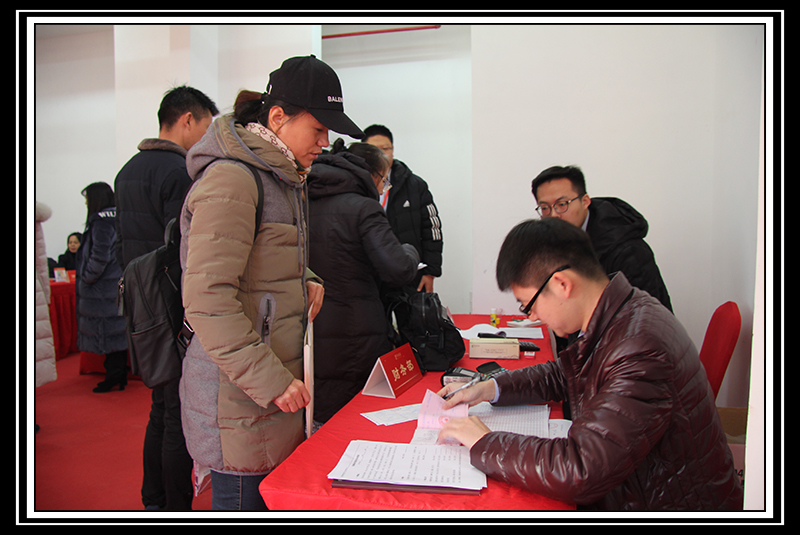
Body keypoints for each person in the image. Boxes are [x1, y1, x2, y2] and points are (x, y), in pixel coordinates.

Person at [437, 218, 743, 511]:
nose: (533, 317)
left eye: (529, 305)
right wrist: (488, 388)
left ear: (561, 284)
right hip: (638, 486)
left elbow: (581, 469)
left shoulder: (640, 348)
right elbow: (563, 374)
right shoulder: (621, 312)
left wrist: (485, 442)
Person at [179, 55, 361, 510]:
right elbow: (206, 299)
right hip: (240, 401)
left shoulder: (282, 176)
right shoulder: (233, 179)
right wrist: (271, 381)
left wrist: (307, 278)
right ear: (278, 117)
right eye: (318, 129)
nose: (325, 143)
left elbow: (260, 261)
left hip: (268, 393)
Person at [113, 85, 218, 512]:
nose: (206, 137)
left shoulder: (127, 170)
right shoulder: (178, 172)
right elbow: (184, 249)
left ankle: (153, 498)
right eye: (206, 126)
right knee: (177, 413)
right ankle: (174, 508)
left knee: (160, 407)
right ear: (187, 120)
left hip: (142, 306)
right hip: (173, 307)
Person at [307, 139, 419, 427]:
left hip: (309, 325)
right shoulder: (363, 208)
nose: (383, 189)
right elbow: (398, 269)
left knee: (323, 416)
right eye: (384, 180)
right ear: (370, 175)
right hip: (356, 330)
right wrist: (410, 250)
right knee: (360, 416)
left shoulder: (301, 199)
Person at [531, 165, 672, 312]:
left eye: (562, 204)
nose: (553, 215)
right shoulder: (555, 243)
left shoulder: (628, 250)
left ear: (585, 201)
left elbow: (646, 316)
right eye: (545, 208)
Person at [363, 124, 442, 294]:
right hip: (368, 275)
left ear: (393, 150)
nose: (381, 154)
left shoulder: (415, 185)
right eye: (375, 150)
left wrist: (430, 271)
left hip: (408, 273)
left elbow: (432, 229)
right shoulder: (356, 186)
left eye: (386, 149)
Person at [75, 182, 129, 393]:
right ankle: (119, 373)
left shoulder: (100, 222)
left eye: (87, 198)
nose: (86, 203)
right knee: (116, 332)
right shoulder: (118, 217)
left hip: (101, 290)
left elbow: (99, 255)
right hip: (114, 284)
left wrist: (87, 277)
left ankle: (114, 375)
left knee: (106, 334)